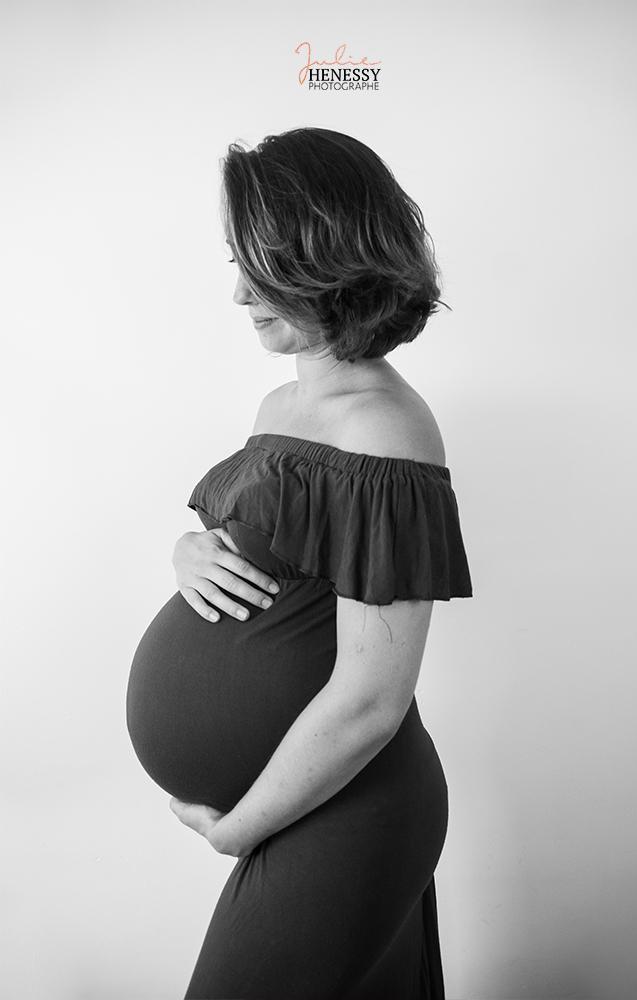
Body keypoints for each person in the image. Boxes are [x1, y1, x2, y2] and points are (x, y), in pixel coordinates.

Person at [126, 126, 473, 1000]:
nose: (239, 291)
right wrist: (187, 549)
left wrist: (238, 830)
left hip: (348, 804)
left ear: (327, 259)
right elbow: (272, 551)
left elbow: (370, 700)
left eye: (262, 267)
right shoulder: (281, 401)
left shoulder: (385, 426)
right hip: (300, 797)